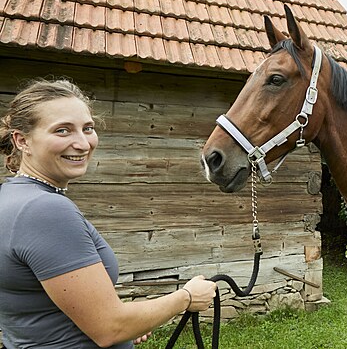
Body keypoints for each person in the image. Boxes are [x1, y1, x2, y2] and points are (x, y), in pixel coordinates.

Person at [0, 79, 217, 348]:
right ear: (22, 141)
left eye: (87, 128)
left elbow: (38, 309)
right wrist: (186, 296)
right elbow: (110, 328)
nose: (82, 143)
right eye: (63, 131)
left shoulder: (9, 197)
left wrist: (133, 320)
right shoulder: (45, 210)